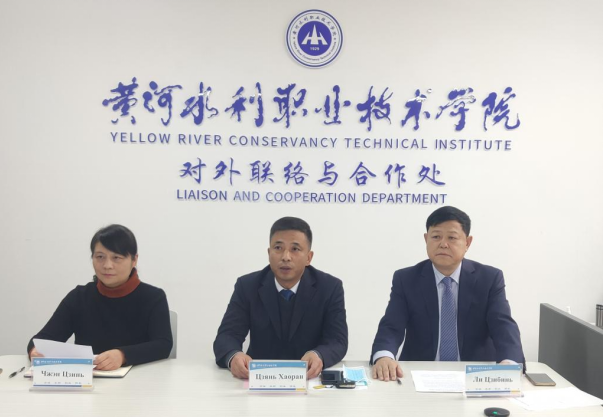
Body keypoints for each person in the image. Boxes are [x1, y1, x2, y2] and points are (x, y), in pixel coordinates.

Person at [371, 206, 525, 381]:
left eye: (452, 237)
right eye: (436, 237)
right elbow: (392, 326)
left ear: (467, 243)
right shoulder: (406, 279)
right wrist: (384, 356)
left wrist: (509, 362)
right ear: (426, 239)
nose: (443, 244)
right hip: (419, 374)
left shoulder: (489, 278)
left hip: (476, 376)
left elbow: (503, 325)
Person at [213, 216, 348, 379]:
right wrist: (234, 356)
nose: (286, 257)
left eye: (295, 249)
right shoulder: (247, 286)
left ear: (309, 257)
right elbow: (227, 336)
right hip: (258, 379)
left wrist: (319, 355)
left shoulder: (329, 288)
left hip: (309, 379)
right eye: (278, 248)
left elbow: (337, 340)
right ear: (269, 253)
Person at [27, 224, 173, 371]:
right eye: (100, 257)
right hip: (89, 379)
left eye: (116, 257)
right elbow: (42, 339)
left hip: (140, 379)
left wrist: (122, 355)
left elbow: (163, 345)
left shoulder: (153, 297)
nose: (107, 265)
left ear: (134, 260)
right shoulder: (79, 297)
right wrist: (35, 351)